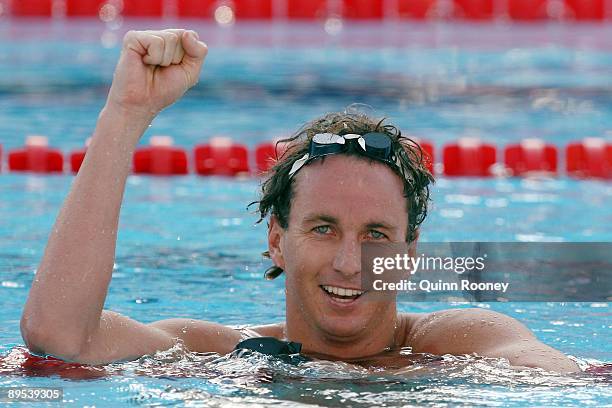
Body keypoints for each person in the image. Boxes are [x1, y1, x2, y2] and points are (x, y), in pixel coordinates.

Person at [20, 29, 579, 373]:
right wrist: (124, 114)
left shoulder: (461, 344)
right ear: (276, 241)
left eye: (376, 236)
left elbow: (568, 378)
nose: (347, 261)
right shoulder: (222, 355)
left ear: (409, 256)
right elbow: (60, 337)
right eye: (323, 228)